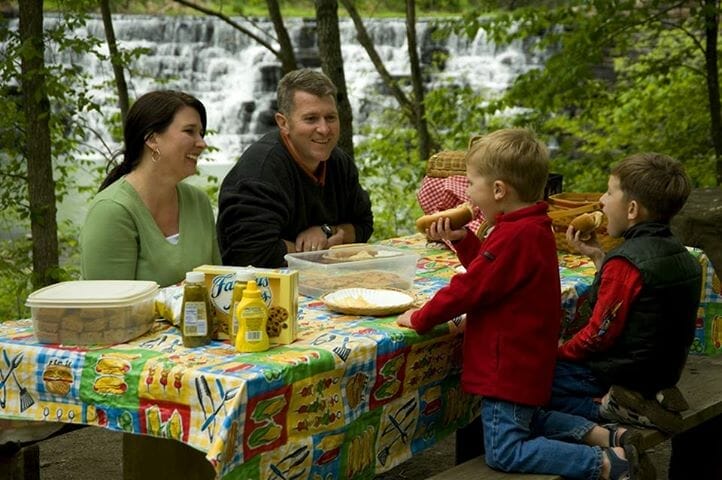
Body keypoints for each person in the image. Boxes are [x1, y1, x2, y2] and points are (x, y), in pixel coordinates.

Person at [396, 128, 649, 479]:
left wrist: (421, 317)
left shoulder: (515, 235)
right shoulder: (529, 225)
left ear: (499, 190)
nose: (467, 193)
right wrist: (464, 239)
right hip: (527, 361)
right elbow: (494, 275)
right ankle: (605, 435)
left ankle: (606, 463)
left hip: (507, 367)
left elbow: (470, 289)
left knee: (505, 450)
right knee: (531, 418)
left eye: (471, 184)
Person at [551, 153, 702, 434]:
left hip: (623, 372)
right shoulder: (685, 256)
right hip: (663, 370)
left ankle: (615, 410)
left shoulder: (626, 263)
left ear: (632, 209)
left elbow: (598, 335)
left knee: (535, 384)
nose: (602, 201)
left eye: (609, 192)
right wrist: (599, 257)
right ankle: (648, 398)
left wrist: (560, 353)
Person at [217, 68, 373, 268]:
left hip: (318, 285)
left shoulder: (339, 163)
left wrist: (328, 231)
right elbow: (250, 253)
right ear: (283, 123)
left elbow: (364, 224)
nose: (324, 129)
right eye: (311, 119)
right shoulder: (260, 173)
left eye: (331, 117)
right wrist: (320, 252)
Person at [80, 90, 221, 287]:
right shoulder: (112, 210)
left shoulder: (198, 202)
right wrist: (178, 294)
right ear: (152, 139)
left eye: (201, 133)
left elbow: (217, 282)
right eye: (189, 131)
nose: (202, 143)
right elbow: (108, 309)